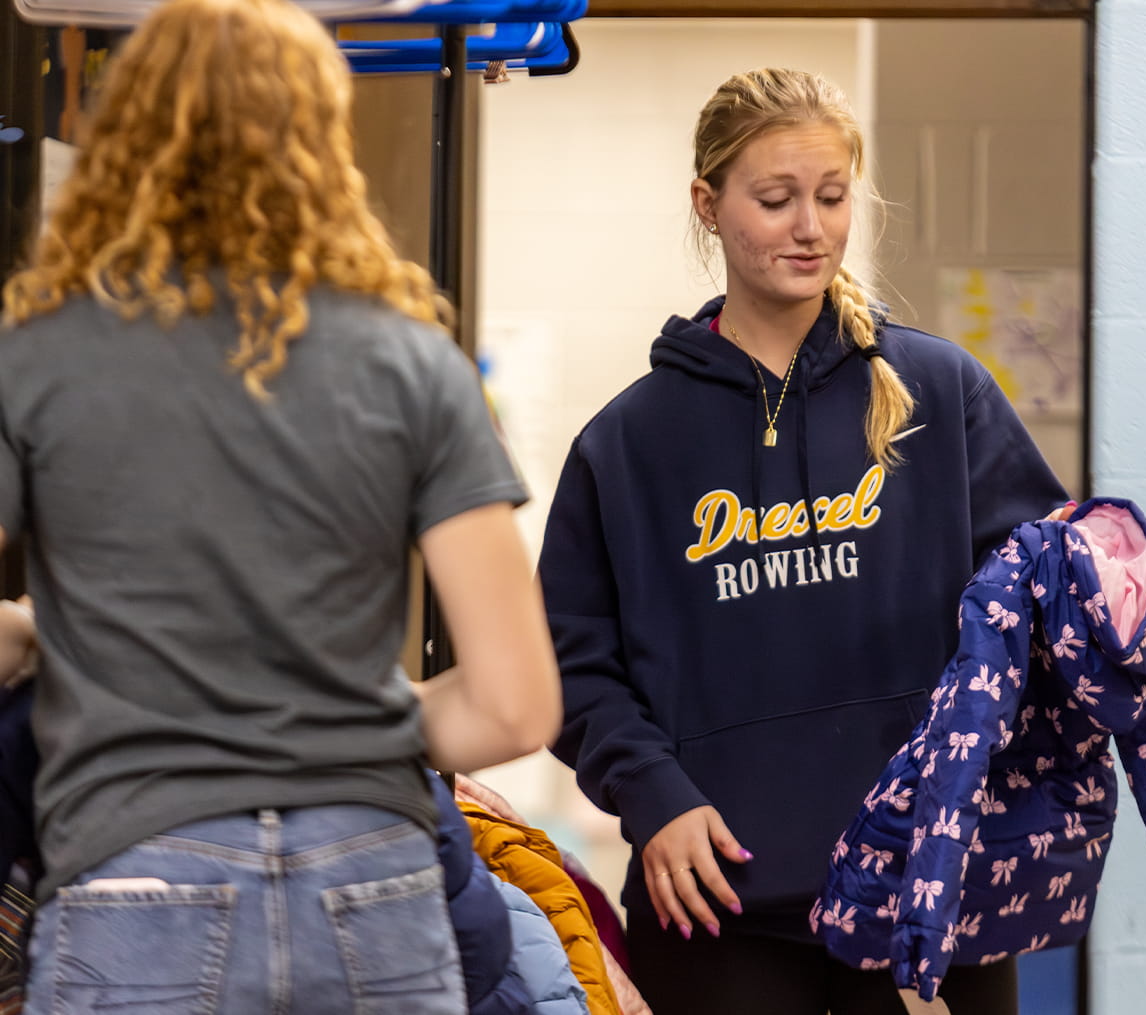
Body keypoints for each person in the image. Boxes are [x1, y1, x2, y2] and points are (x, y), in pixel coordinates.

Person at [0, 0, 561, 1010]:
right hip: (372, 888)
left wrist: (34, 636)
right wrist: (338, 724)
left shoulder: (32, 356)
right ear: (318, 140)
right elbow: (515, 704)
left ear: (123, 134)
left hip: (134, 884)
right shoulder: (412, 362)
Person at [538, 67, 1071, 1015]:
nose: (810, 227)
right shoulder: (628, 442)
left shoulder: (941, 393)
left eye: (831, 198)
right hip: (715, 903)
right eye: (776, 200)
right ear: (708, 205)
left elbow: (1037, 601)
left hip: (924, 888)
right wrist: (650, 791)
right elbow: (568, 661)